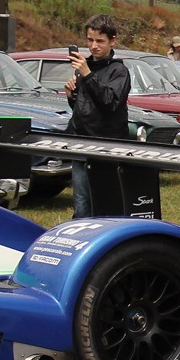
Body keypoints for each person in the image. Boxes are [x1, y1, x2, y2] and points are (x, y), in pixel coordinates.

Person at [63, 13, 132, 218]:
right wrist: (71, 96)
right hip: (81, 145)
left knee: (106, 206)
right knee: (82, 205)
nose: (94, 46)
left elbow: (111, 103)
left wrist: (88, 75)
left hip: (106, 148)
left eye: (100, 41)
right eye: (90, 40)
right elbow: (84, 107)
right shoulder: (83, 68)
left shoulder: (119, 71)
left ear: (112, 41)